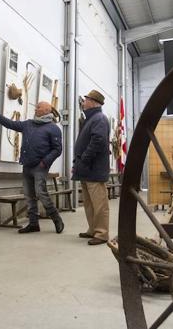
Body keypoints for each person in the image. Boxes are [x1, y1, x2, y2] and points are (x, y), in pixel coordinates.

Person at [0, 101, 64, 234]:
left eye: (38, 107)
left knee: (41, 193)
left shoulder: (53, 128)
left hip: (40, 166)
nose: (35, 109)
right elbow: (11, 124)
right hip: (27, 165)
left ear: (47, 110)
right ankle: (33, 224)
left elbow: (57, 150)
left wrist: (44, 162)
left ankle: (56, 218)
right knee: (29, 196)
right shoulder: (28, 124)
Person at [72, 90, 111, 245]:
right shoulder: (92, 118)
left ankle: (101, 234)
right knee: (89, 203)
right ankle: (93, 229)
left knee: (99, 203)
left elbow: (98, 141)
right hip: (87, 168)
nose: (83, 101)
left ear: (93, 102)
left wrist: (85, 160)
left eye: (86, 99)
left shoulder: (99, 118)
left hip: (94, 168)